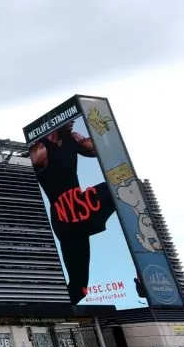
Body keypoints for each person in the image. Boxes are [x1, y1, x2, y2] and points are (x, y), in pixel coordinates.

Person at [30, 120, 128, 304]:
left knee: (119, 186)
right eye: (68, 121)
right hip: (65, 217)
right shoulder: (41, 149)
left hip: (83, 208)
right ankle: (54, 310)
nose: (72, 123)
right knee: (80, 288)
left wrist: (83, 137)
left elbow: (99, 147)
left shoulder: (71, 142)